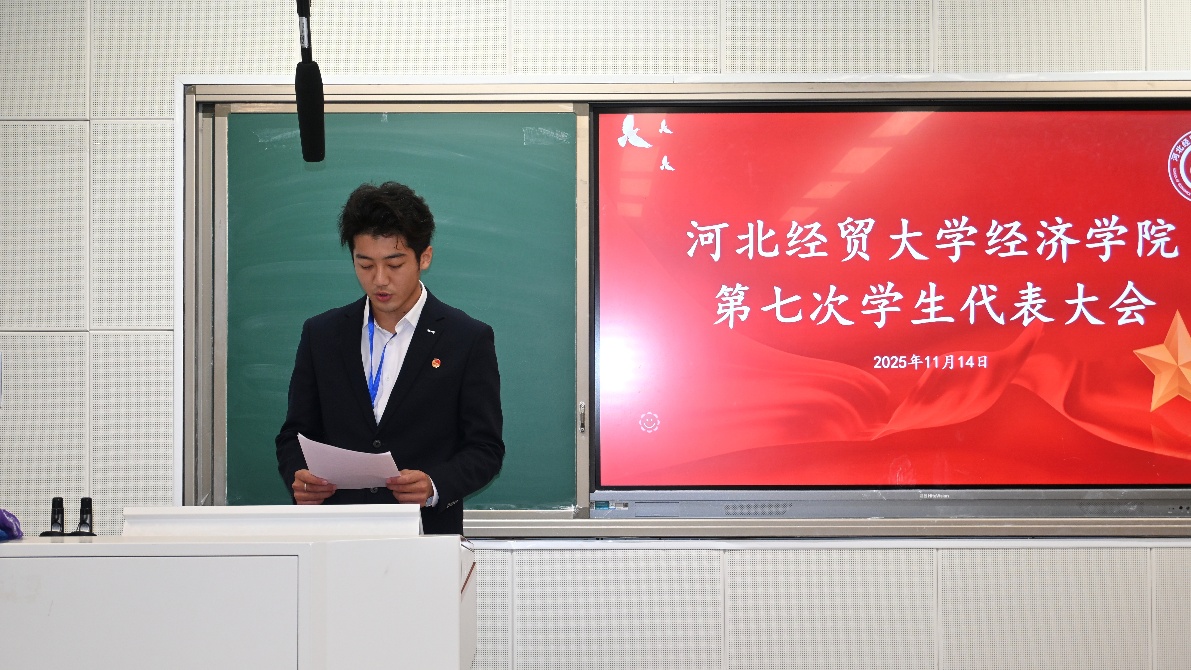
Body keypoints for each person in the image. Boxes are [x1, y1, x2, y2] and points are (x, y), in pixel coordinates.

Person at [275, 181, 505, 535]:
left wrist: (435, 484)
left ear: (424, 257)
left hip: (424, 535)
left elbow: (485, 448)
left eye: (394, 264)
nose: (379, 280)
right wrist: (299, 475)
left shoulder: (466, 338)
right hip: (334, 533)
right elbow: (294, 434)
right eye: (365, 264)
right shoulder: (322, 334)